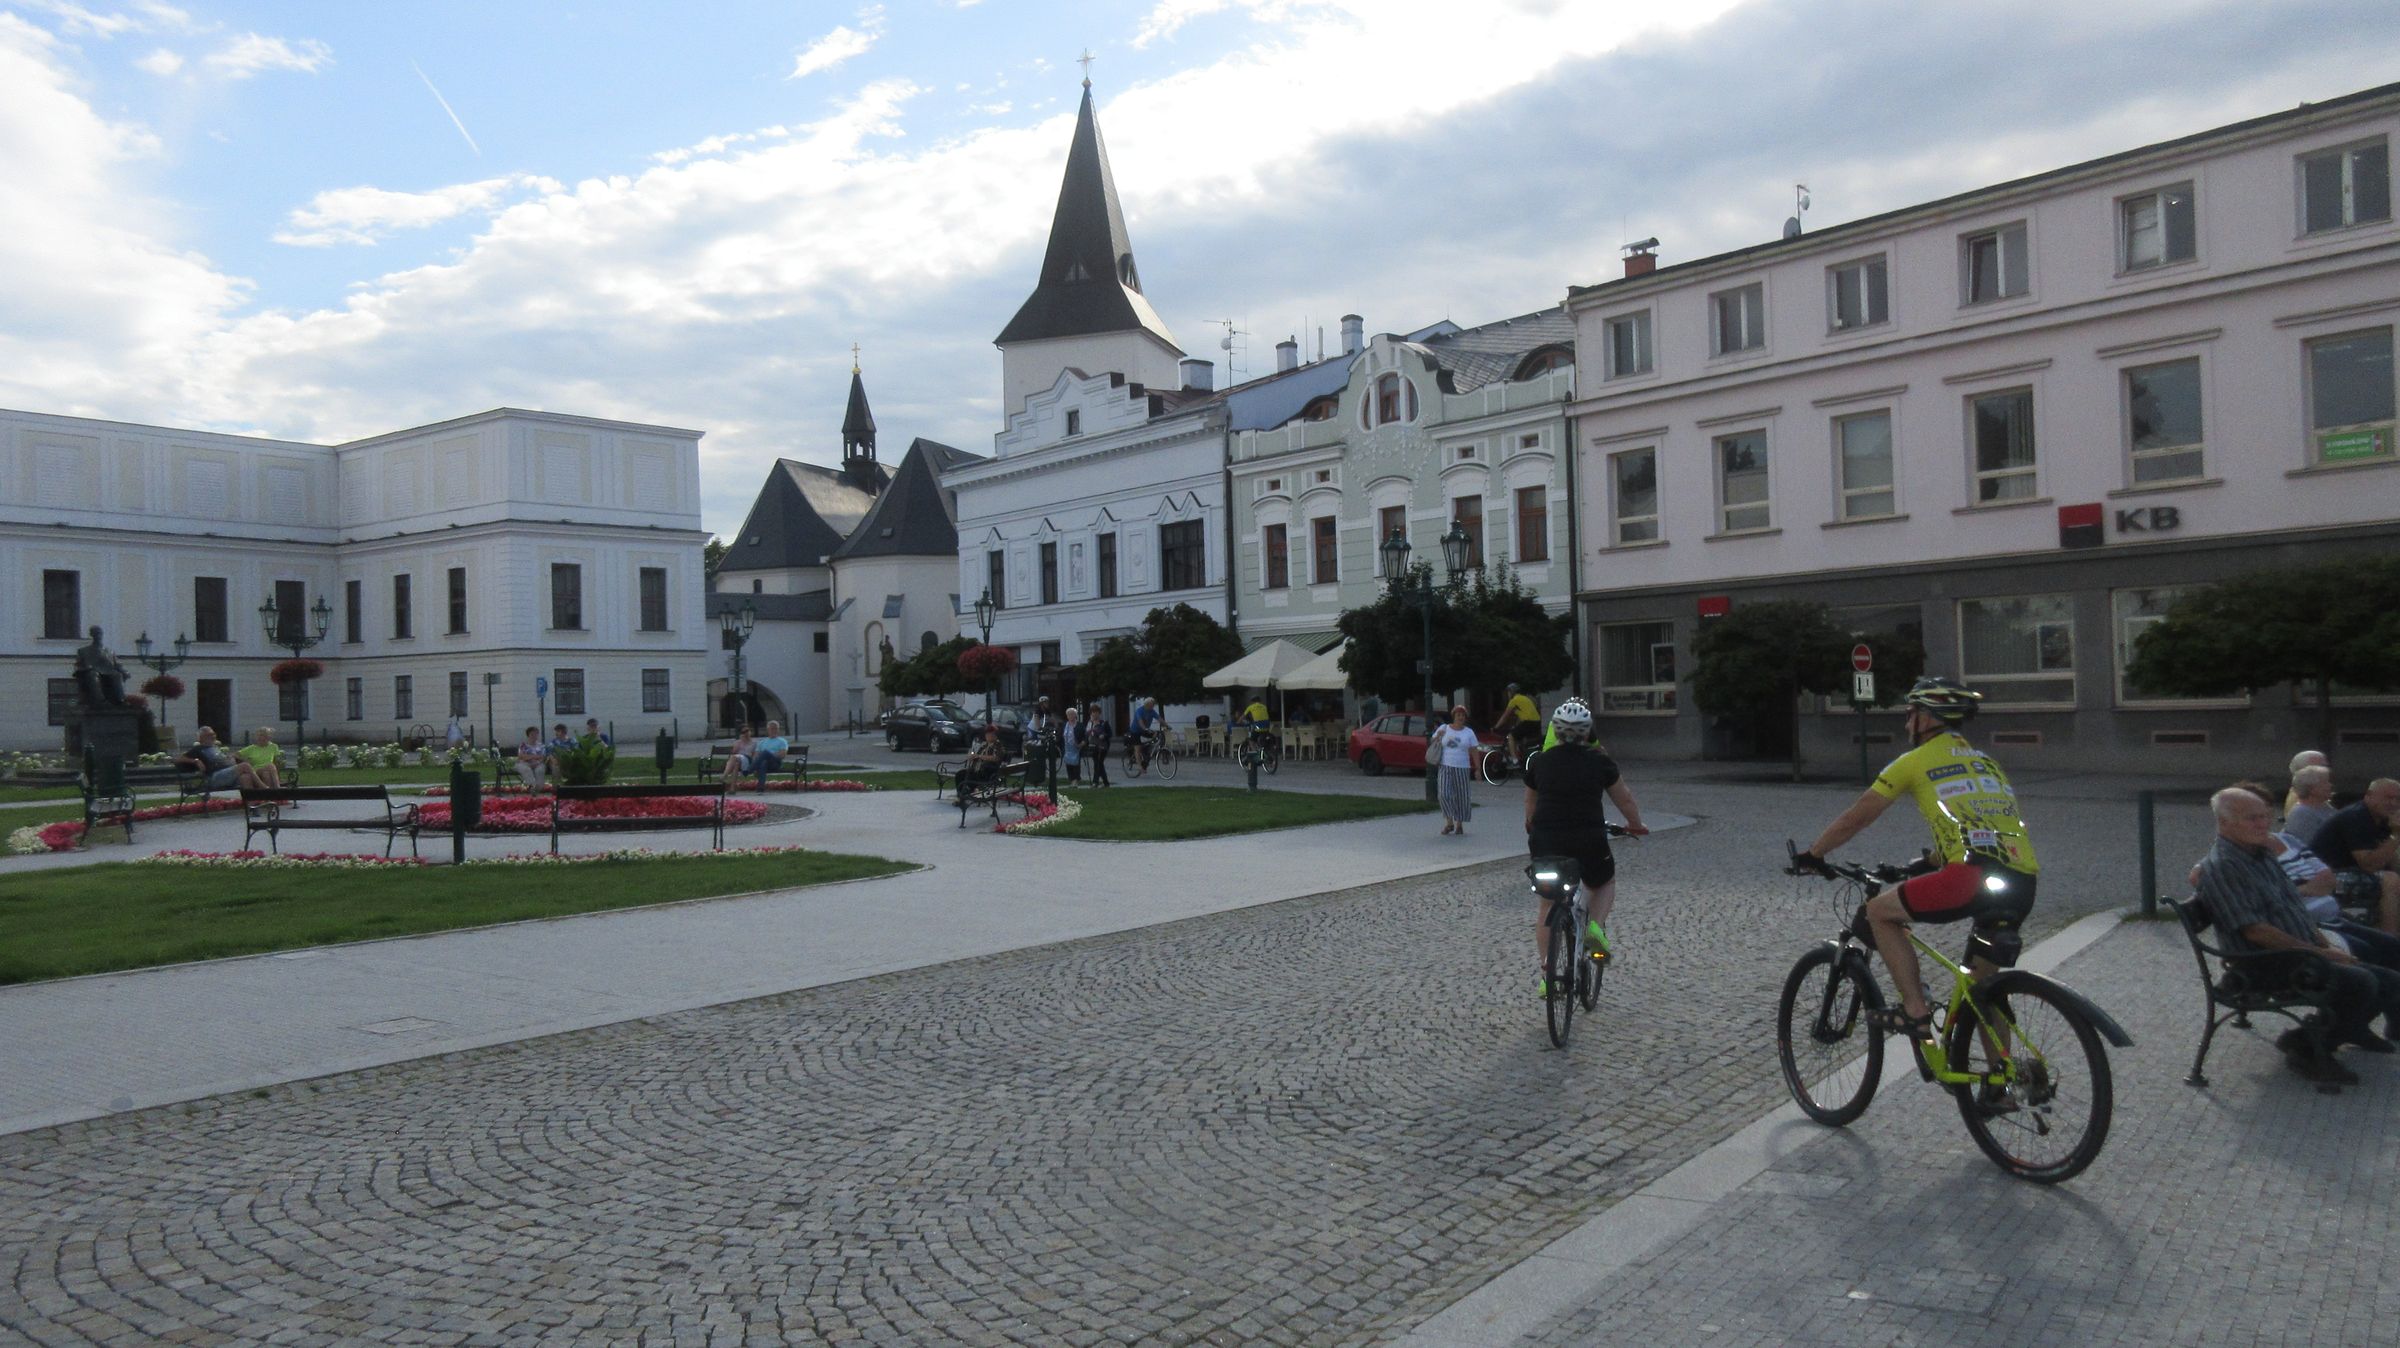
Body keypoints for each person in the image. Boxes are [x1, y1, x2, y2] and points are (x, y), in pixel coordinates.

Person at [1794, 676, 2036, 1040]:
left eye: (1910, 714)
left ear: (1927, 717)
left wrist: (1814, 854)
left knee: (1878, 912)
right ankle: (2001, 1075)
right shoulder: (1987, 764)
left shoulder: (1913, 762)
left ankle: (1914, 1010)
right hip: (2022, 881)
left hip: (1968, 878)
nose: (1907, 723)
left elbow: (1857, 817)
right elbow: (1982, 829)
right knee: (1982, 992)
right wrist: (1929, 861)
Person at [2194, 785, 2400, 1085]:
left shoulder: (2260, 855)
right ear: (2224, 823)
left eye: (2265, 816)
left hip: (2297, 950)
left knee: (2390, 978)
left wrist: (2323, 941)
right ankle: (2307, 1049)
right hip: (2262, 962)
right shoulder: (2225, 866)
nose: (2263, 824)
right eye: (2252, 818)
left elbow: (2294, 907)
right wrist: (2320, 952)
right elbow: (2255, 930)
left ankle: (2333, 1032)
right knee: (2362, 982)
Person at [1523, 698, 1648, 992]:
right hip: (1588, 840)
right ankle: (1595, 928)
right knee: (1603, 882)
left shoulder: (1539, 762)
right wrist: (1635, 824)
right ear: (1587, 732)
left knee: (1547, 905)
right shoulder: (1600, 762)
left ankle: (1547, 975)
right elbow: (1625, 798)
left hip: (1546, 841)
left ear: (1555, 729)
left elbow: (1530, 806)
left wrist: (1532, 826)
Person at [2307, 778, 2399, 922]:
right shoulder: (2355, 817)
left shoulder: (2383, 818)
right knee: (2389, 880)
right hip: (2326, 877)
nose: (2393, 803)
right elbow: (2369, 865)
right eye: (2388, 798)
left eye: (2397, 799)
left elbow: (2388, 857)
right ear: (2369, 795)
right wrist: (2396, 835)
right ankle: (2389, 935)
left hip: (2351, 871)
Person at [1429, 704, 1480, 836]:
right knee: (1443, 794)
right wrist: (1438, 736)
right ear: (1453, 716)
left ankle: (1459, 824)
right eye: (1458, 715)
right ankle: (1449, 822)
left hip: (1462, 767)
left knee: (1461, 796)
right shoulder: (1444, 728)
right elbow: (1432, 741)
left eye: (1462, 715)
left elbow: (1474, 750)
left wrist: (1478, 769)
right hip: (1445, 765)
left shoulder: (1469, 732)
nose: (1460, 717)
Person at [175, 726, 243, 793]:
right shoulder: (198, 749)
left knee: (246, 778)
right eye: (209, 735)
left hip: (227, 775)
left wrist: (231, 758)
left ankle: (248, 800)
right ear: (201, 738)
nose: (213, 736)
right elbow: (178, 759)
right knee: (244, 766)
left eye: (213, 734)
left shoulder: (215, 748)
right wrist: (196, 761)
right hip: (213, 778)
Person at [2286, 763, 2337, 842]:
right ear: (2312, 789)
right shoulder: (2302, 815)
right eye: (2325, 782)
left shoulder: (2324, 806)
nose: (2330, 785)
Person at [1492, 682, 1541, 764]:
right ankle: (1522, 758)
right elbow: (1522, 715)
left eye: (1508, 692)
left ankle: (1515, 760)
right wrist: (1515, 726)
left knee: (1510, 736)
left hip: (1528, 722)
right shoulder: (1524, 698)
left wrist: (1496, 727)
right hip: (1536, 722)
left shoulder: (1514, 700)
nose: (1507, 694)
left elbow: (1505, 716)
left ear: (1512, 692)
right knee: (1518, 738)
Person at [751, 720, 789, 791]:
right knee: (764, 762)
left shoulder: (782, 741)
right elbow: (756, 755)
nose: (774, 730)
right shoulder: (762, 742)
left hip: (775, 763)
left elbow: (782, 755)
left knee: (765, 753)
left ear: (778, 730)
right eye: (772, 728)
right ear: (768, 730)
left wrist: (768, 755)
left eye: (775, 728)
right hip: (764, 763)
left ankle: (752, 768)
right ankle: (760, 787)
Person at [1083, 705, 1113, 788]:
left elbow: (1110, 734)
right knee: (1098, 764)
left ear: (1099, 713)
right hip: (1093, 746)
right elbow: (1086, 734)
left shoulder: (1104, 723)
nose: (1095, 714)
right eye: (1093, 712)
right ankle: (1106, 782)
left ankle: (1095, 782)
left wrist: (1104, 736)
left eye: (1096, 712)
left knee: (1098, 763)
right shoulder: (1090, 723)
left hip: (1102, 746)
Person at [1130, 697, 1162, 771]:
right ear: (1146, 705)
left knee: (1156, 734)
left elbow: (1159, 718)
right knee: (1137, 748)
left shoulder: (1152, 711)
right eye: (1151, 705)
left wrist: (1167, 725)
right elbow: (1140, 722)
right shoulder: (1139, 711)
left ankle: (1146, 747)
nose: (1152, 707)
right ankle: (1140, 766)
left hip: (1144, 730)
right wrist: (1145, 728)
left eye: (1153, 705)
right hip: (1135, 731)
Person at [513, 725, 549, 792]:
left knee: (540, 770)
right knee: (526, 769)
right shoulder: (523, 745)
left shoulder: (541, 746)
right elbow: (521, 756)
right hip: (523, 763)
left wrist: (536, 761)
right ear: (528, 735)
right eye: (532, 734)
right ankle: (532, 787)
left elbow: (543, 757)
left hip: (538, 763)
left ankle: (539, 788)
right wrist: (535, 756)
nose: (534, 736)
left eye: (536, 734)